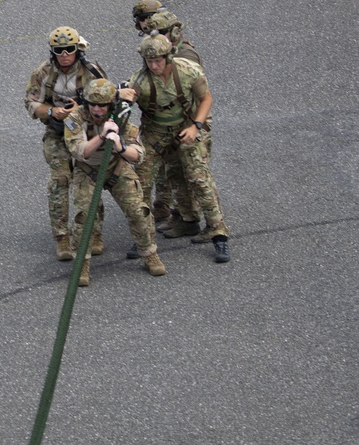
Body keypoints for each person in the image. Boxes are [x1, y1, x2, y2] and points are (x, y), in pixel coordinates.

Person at [126, 34, 231, 263]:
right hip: (155, 134)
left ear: (168, 57)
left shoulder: (188, 71)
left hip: (186, 128)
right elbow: (125, 105)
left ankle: (218, 231)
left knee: (199, 178)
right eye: (149, 61)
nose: (153, 65)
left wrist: (196, 126)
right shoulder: (140, 81)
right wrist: (121, 97)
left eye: (158, 60)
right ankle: (143, 237)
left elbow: (206, 99)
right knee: (141, 183)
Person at [63, 79, 166, 285]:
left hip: (115, 167)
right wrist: (102, 136)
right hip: (88, 170)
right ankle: (82, 264)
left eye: (102, 105)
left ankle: (149, 253)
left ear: (110, 104)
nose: (96, 109)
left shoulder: (122, 118)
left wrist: (120, 147)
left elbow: (138, 155)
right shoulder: (74, 118)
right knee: (84, 217)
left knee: (139, 211)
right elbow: (79, 151)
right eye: (92, 104)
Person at [25, 27, 106, 261]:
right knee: (60, 180)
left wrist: (80, 109)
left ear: (77, 49)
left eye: (69, 49)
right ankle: (62, 237)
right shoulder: (43, 73)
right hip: (57, 133)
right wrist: (52, 111)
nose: (64, 55)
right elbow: (31, 103)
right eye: (59, 51)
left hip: (86, 133)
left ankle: (95, 233)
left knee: (90, 180)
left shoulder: (92, 71)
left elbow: (107, 101)